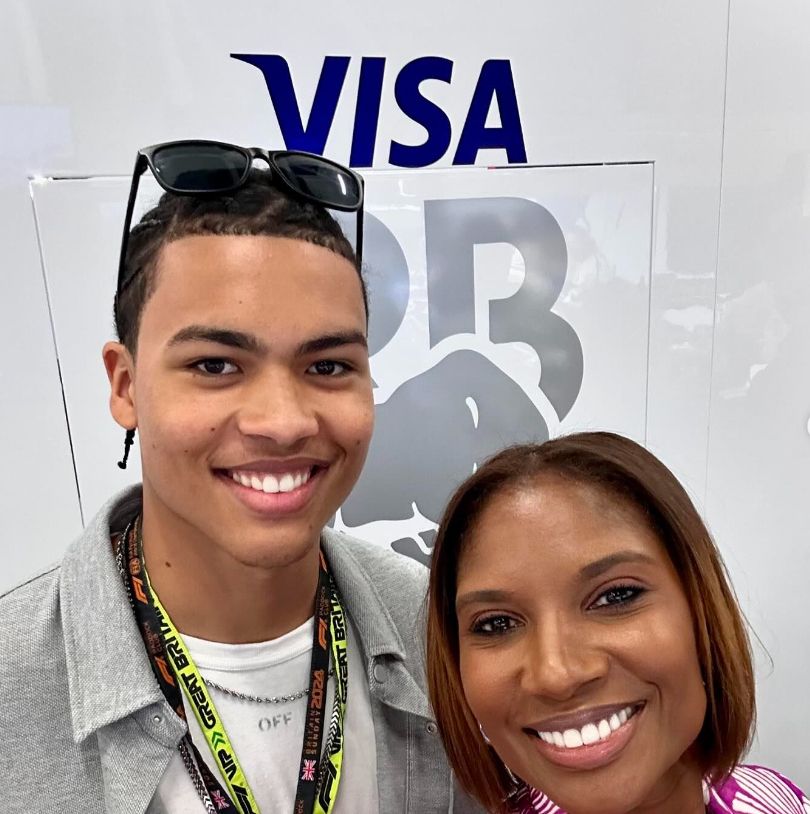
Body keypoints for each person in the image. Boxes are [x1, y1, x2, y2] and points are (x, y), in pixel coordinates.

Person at [0, 141, 479, 813]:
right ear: (126, 385)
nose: (283, 422)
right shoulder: (12, 681)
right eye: (216, 365)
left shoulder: (449, 640)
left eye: (328, 365)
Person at [426, 432, 809, 814]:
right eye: (496, 624)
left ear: (700, 610)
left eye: (615, 596)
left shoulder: (777, 799)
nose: (557, 675)